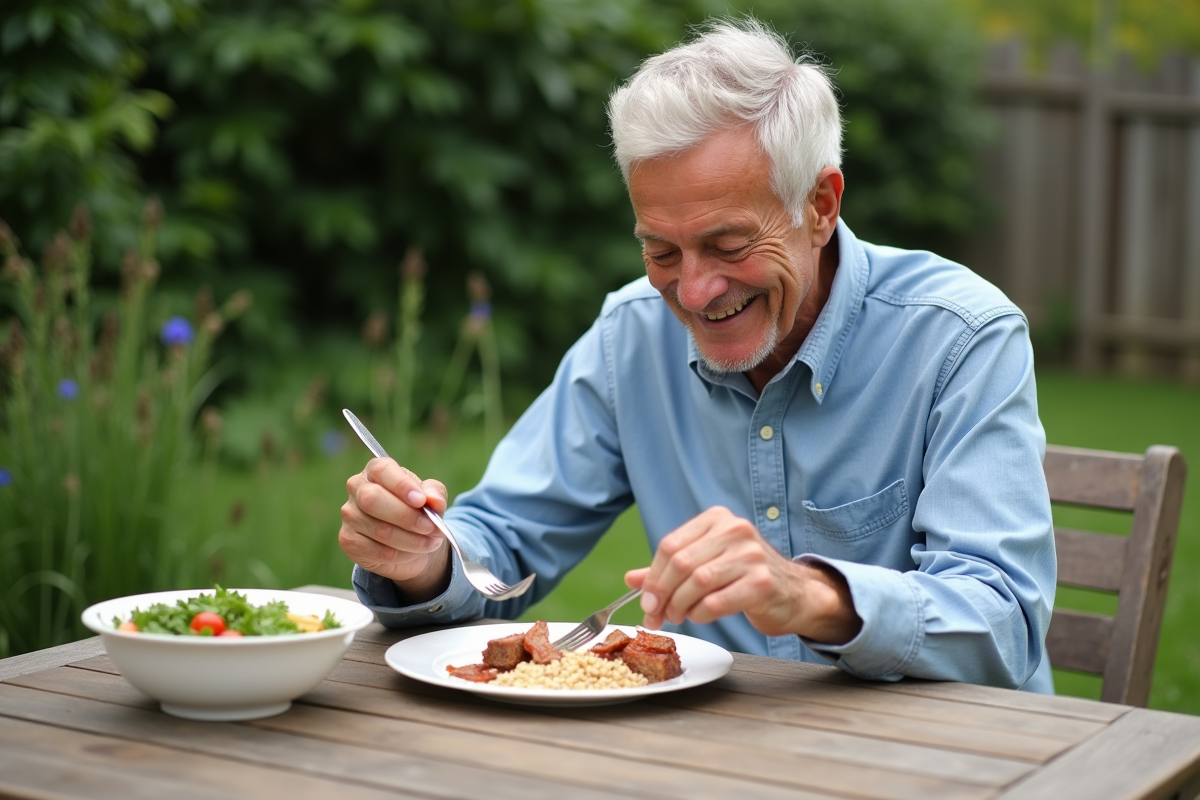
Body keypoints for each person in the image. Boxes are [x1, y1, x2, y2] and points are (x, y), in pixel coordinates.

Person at [339, 18, 1056, 691]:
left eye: (729, 244)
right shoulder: (632, 338)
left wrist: (808, 594)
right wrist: (425, 561)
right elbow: (500, 542)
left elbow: (1002, 622)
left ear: (821, 205)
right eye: (660, 250)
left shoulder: (961, 337)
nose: (694, 289)